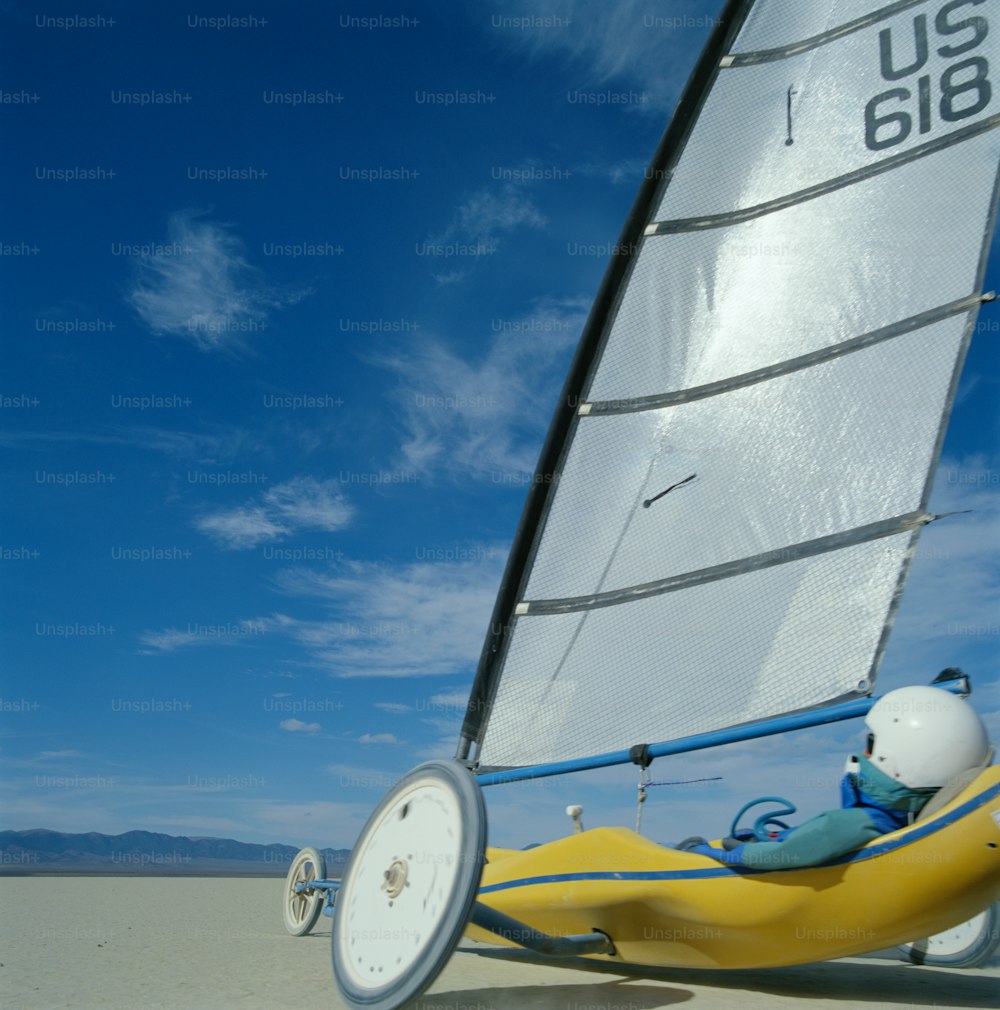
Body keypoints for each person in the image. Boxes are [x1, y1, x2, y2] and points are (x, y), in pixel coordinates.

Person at [678, 683, 992, 870]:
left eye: (871, 745)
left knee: (684, 846)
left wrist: (712, 853)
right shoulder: (888, 825)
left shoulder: (857, 823)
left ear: (899, 756)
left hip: (743, 872)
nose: (863, 755)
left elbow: (779, 855)